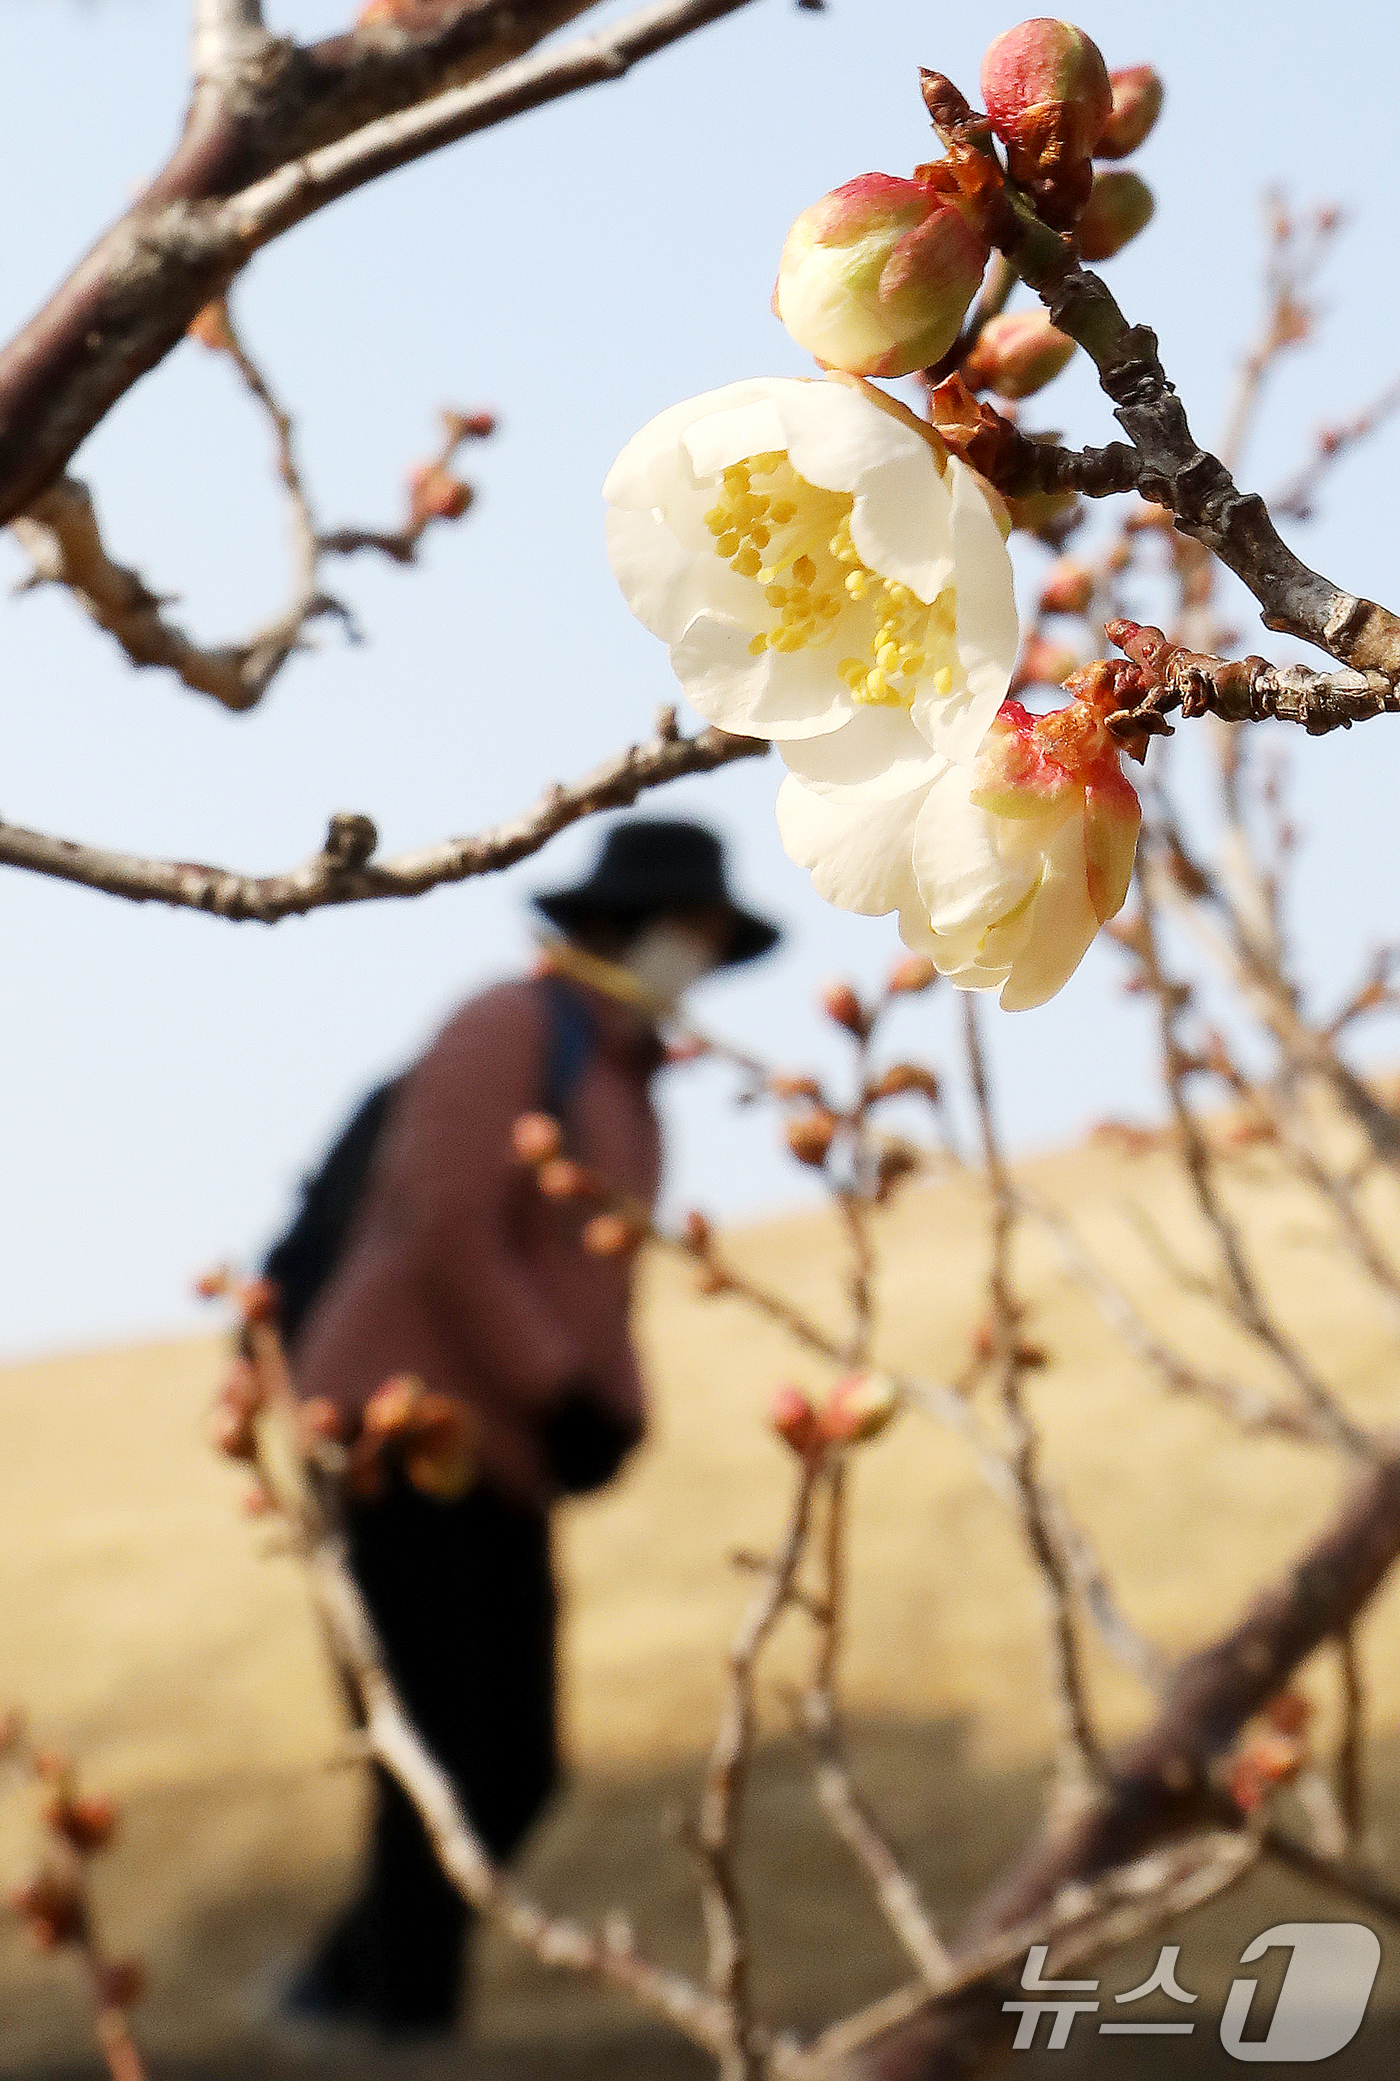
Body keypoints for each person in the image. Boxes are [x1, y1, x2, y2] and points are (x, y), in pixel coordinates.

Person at [277, 817, 779, 2039]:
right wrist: (555, 1386)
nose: (697, 959)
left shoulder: (628, 1084)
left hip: (501, 1461)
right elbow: (449, 1225)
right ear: (626, 920)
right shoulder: (505, 1024)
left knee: (518, 1762)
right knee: (440, 1754)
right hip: (397, 1433)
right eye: (690, 932)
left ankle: (336, 1999)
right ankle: (397, 2023)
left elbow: (599, 1283)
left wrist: (613, 1412)